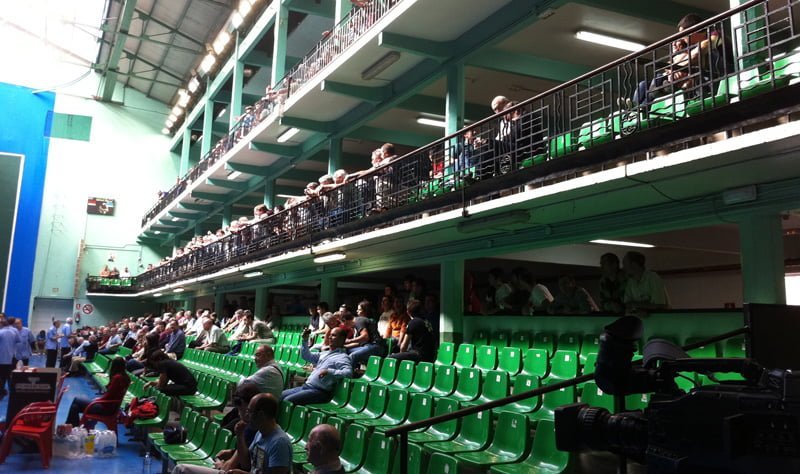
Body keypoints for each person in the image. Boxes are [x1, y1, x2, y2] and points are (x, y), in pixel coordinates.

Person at [174, 393, 291, 474]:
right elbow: (246, 464)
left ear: (261, 415)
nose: (246, 415)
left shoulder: (279, 443)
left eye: (250, 412)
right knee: (181, 470)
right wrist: (240, 436)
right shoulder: (260, 433)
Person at [632, 13, 730, 106]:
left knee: (661, 82)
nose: (682, 38)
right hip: (695, 77)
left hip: (716, 77)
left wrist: (677, 68)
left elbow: (699, 52)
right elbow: (671, 62)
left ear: (693, 31)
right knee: (644, 85)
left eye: (683, 34)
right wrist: (673, 69)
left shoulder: (715, 34)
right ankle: (637, 109)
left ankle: (644, 105)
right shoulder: (690, 45)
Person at [281, 327, 352, 405]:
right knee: (280, 395)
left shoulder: (342, 357)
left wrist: (329, 371)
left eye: (333, 335)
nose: (330, 337)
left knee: (287, 401)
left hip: (319, 391)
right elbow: (306, 356)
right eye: (330, 335)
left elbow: (348, 372)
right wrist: (305, 340)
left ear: (341, 339)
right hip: (306, 387)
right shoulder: (324, 353)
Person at [65, 357, 130, 426]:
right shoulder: (126, 378)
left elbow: (109, 396)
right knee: (75, 407)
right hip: (112, 407)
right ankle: (72, 426)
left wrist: (98, 400)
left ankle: (69, 426)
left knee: (76, 400)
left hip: (106, 408)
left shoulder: (117, 378)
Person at [0, 318, 21, 400]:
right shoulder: (14, 332)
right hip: (11, 357)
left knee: (1, 376)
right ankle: (12, 392)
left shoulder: (1, 332)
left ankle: (1, 392)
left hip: (1, 358)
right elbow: (18, 340)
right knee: (10, 376)